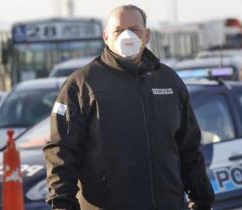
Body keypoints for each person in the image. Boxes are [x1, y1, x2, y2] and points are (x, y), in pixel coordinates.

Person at [43, 4, 215, 210]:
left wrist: (202, 198)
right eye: (118, 30)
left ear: (147, 35)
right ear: (106, 37)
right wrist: (62, 204)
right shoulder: (82, 84)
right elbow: (61, 151)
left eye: (134, 30)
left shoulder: (168, 81)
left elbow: (189, 146)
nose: (126, 36)